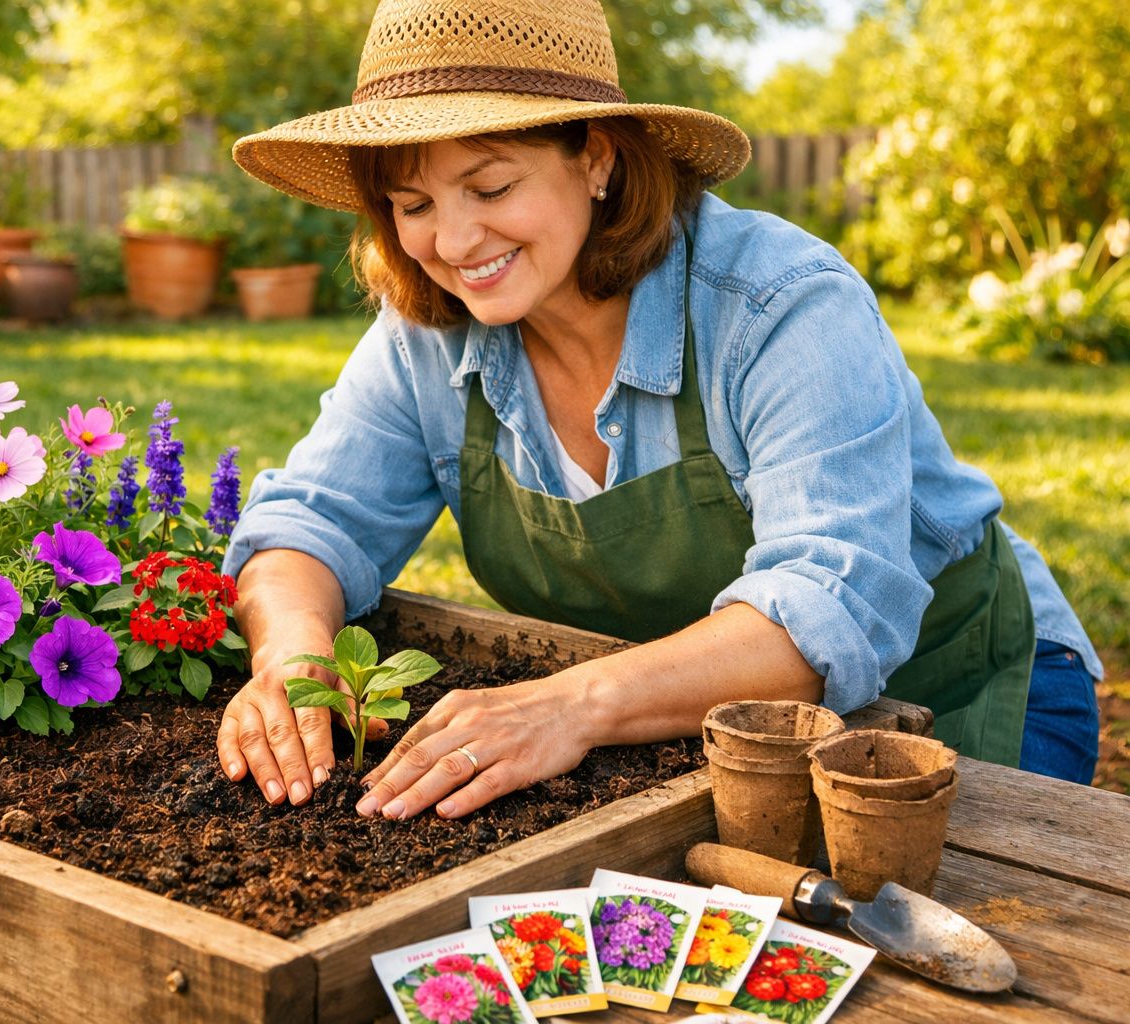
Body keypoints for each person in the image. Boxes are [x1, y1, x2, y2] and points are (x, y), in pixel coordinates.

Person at [215, 0, 1103, 820]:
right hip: (689, 726)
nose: (451, 242)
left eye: (489, 189)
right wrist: (295, 658)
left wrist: (566, 704)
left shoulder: (780, 304)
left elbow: (820, 610)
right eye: (414, 205)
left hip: (951, 699)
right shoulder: (427, 336)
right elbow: (311, 519)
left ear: (596, 157)